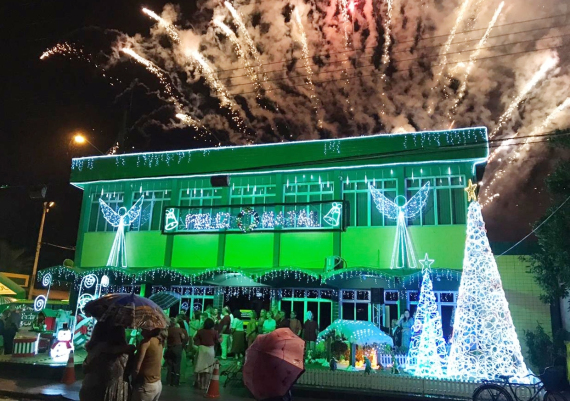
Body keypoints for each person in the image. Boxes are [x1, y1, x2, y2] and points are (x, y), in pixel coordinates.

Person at [79, 321, 135, 401]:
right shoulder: (126, 353)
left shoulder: (94, 349)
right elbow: (130, 370)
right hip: (118, 391)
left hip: (92, 389)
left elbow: (86, 368)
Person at [131, 328, 165, 401]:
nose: (142, 330)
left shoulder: (146, 342)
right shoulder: (159, 341)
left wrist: (134, 379)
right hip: (157, 383)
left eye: (144, 328)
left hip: (146, 384)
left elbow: (137, 367)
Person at [194, 318, 220, 390]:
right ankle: (206, 385)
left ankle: (201, 385)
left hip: (202, 349)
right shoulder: (214, 332)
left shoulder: (200, 331)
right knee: (208, 368)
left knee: (202, 368)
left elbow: (195, 339)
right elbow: (218, 341)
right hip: (210, 350)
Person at [165, 319, 188, 386]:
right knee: (177, 365)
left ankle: (169, 381)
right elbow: (184, 337)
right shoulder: (179, 330)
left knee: (170, 365)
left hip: (170, 348)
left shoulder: (168, 330)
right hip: (177, 348)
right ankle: (175, 382)